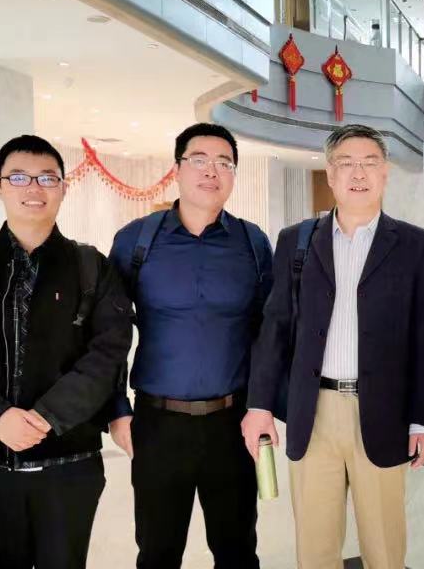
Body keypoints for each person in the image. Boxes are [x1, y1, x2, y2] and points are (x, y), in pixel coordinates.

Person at [0, 135, 132, 569]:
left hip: (69, 464)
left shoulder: (91, 266)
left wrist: (47, 417)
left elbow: (108, 352)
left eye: (47, 178)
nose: (34, 188)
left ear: (64, 187)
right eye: (18, 177)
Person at [242, 123, 424, 569]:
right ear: (330, 174)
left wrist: (422, 420)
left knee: (385, 548)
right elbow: (275, 327)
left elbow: (422, 340)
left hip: (384, 410)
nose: (358, 173)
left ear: (385, 173)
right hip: (312, 411)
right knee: (315, 547)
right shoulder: (296, 240)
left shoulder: (416, 246)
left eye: (370, 163)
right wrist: (259, 405)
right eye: (346, 163)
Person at [107, 123, 273, 569]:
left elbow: (269, 331)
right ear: (177, 169)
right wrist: (117, 409)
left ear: (234, 174)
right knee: (158, 553)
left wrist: (262, 406)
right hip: (158, 423)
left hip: (233, 423)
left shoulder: (253, 242)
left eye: (224, 163)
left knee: (238, 552)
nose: (211, 171)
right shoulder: (136, 240)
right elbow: (108, 333)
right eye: (199, 160)